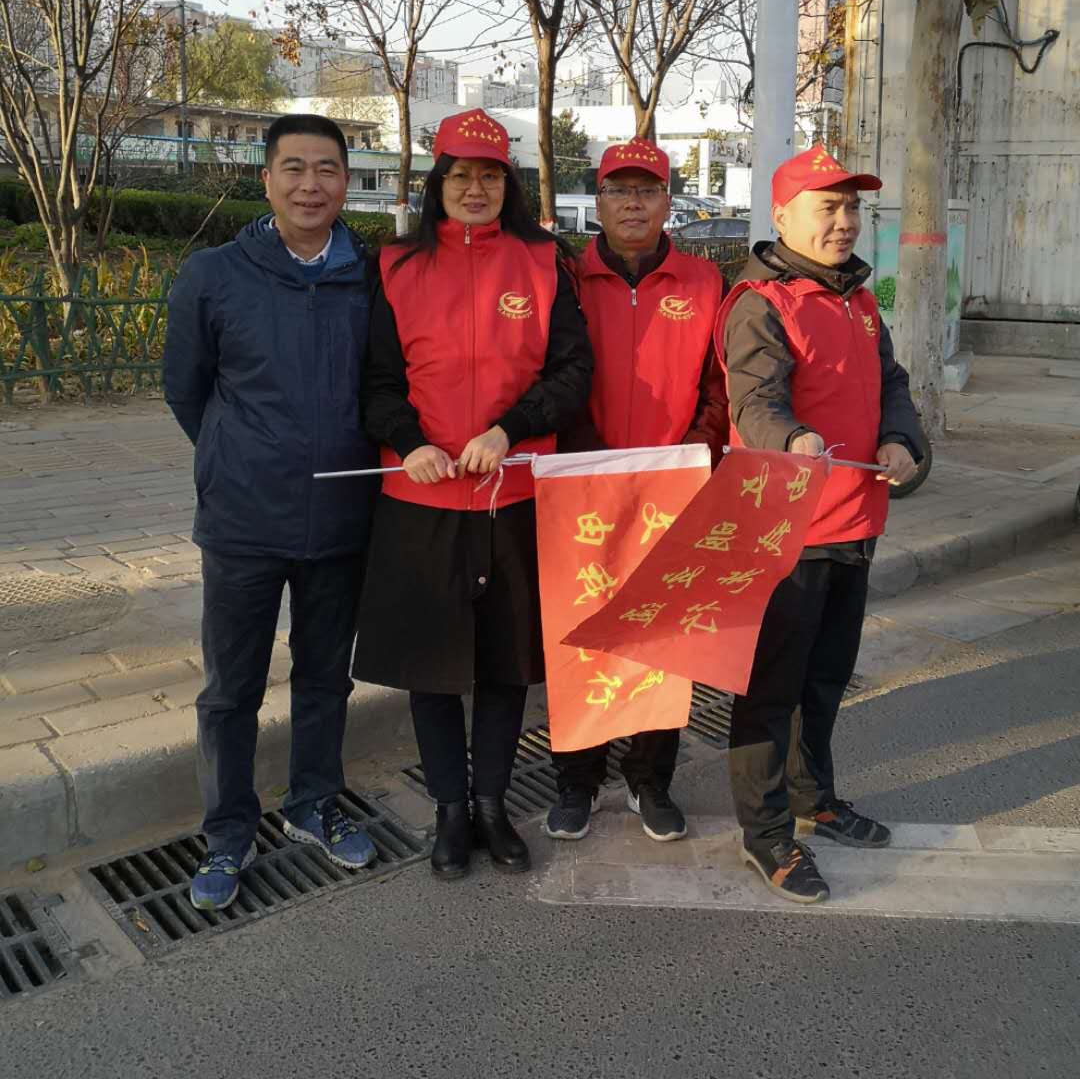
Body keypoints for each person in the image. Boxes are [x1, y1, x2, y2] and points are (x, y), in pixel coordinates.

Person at [355, 110, 592, 881]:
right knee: (432, 670)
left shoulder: (544, 261)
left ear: (508, 185)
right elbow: (376, 381)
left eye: (491, 176)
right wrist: (410, 442)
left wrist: (509, 430)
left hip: (512, 497)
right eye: (460, 175)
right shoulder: (394, 264)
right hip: (420, 500)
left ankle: (492, 805)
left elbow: (572, 372)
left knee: (503, 668)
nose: (475, 188)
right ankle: (449, 813)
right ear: (438, 183)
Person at [164, 115, 379, 913]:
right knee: (231, 689)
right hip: (244, 521)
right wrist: (238, 455)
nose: (309, 185)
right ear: (267, 180)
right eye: (293, 168)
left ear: (346, 182)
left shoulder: (371, 277)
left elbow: (386, 383)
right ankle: (227, 831)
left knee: (325, 677)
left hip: (342, 517)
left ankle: (313, 804)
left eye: (326, 169)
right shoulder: (215, 274)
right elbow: (186, 389)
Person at [717, 144, 921, 904]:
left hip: (854, 521)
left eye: (852, 207)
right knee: (771, 690)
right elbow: (754, 400)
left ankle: (814, 798)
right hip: (785, 532)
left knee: (826, 679)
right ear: (782, 216)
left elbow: (891, 383)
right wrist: (792, 437)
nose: (844, 222)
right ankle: (766, 833)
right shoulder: (761, 303)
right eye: (827, 207)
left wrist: (901, 439)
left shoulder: (857, 299)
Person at [545, 138, 729, 845]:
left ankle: (650, 779)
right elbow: (552, 373)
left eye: (646, 191)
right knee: (583, 634)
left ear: (667, 201)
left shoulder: (704, 282)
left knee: (662, 640)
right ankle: (577, 779)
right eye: (619, 190)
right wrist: (587, 458)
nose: (633, 204)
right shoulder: (566, 278)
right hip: (583, 490)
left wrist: (693, 455)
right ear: (598, 201)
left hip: (673, 489)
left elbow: (719, 385)